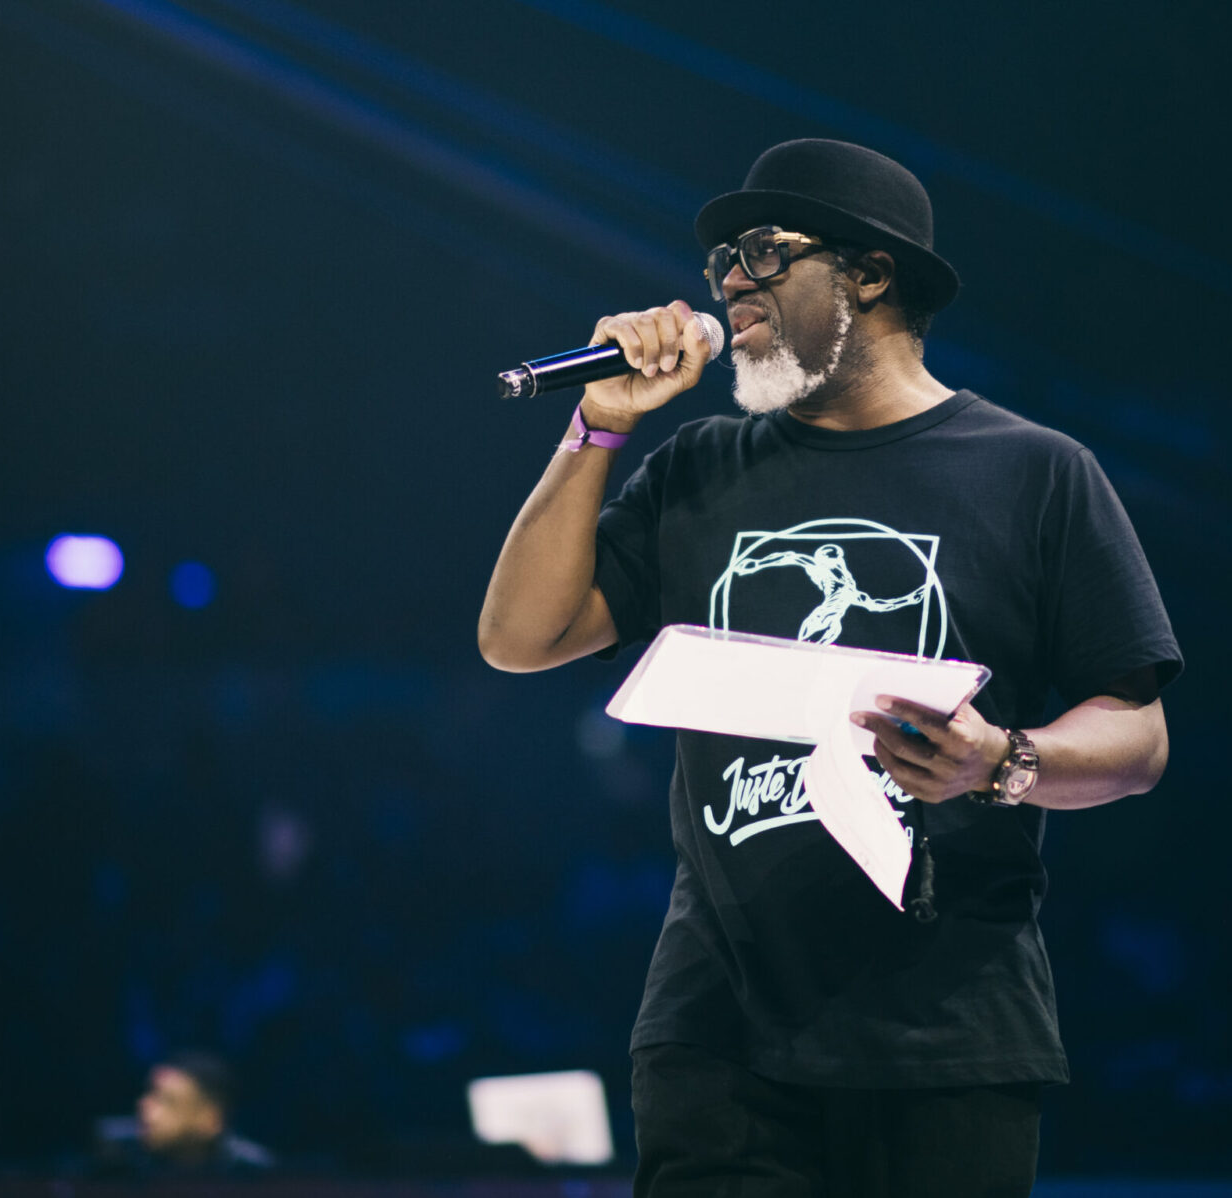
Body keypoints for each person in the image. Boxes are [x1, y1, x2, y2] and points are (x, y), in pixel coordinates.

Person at [478, 139, 1182, 1197]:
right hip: (717, 1028)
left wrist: (999, 761)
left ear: (870, 273)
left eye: (763, 251)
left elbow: (1137, 736)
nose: (728, 282)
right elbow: (518, 638)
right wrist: (597, 426)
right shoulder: (698, 467)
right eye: (720, 260)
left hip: (948, 1029)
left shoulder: (1034, 472)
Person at [123, 1050, 275, 1176]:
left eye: (167, 1100)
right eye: (149, 1093)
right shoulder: (122, 1162)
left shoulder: (258, 1176)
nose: (143, 1105)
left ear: (210, 1118)